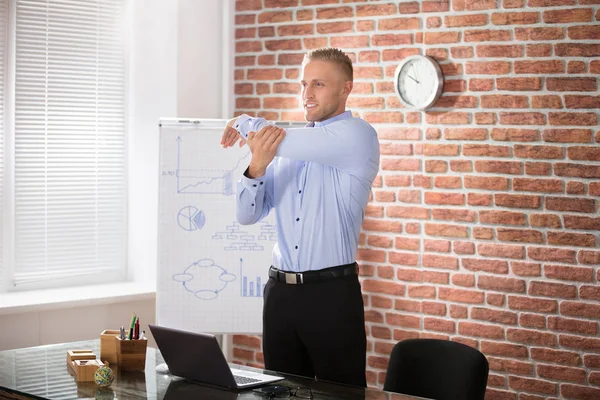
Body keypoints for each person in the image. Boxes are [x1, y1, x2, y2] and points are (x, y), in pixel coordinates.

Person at [221, 47, 380, 387]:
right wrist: (257, 168)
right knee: (281, 391)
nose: (307, 94)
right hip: (280, 293)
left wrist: (241, 120)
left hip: (331, 293)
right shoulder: (282, 149)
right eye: (303, 84)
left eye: (319, 84)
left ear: (345, 88)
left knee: (341, 394)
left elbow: (267, 135)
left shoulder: (357, 134)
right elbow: (248, 215)